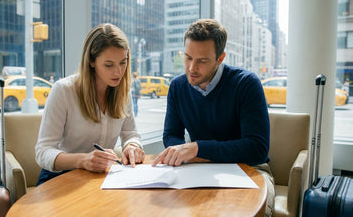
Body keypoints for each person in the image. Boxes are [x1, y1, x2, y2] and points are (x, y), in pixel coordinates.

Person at [152, 19, 274, 217]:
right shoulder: (177, 87)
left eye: (202, 61)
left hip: (250, 170)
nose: (192, 68)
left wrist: (197, 148)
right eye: (188, 57)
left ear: (220, 58)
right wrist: (182, 151)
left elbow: (257, 149)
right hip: (199, 168)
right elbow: (171, 135)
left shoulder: (246, 84)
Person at [35, 23, 145, 185]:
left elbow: (130, 134)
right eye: (109, 65)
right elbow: (42, 152)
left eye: (123, 62)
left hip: (98, 179)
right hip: (59, 179)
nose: (118, 72)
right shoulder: (64, 90)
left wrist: (131, 146)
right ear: (91, 61)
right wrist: (83, 160)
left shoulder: (122, 91)